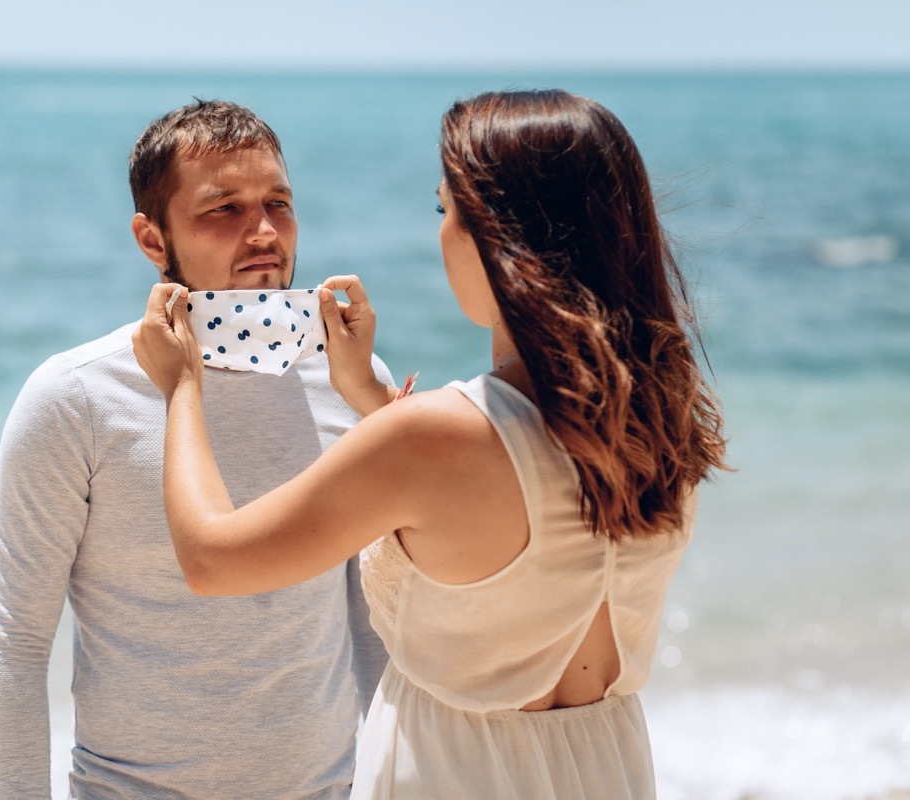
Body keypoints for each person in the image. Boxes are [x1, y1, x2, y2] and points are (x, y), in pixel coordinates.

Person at [133, 90, 728, 799]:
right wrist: (370, 402)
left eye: (447, 211)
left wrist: (182, 386)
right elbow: (509, 516)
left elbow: (212, 558)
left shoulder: (430, 438)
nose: (441, 235)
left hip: (454, 772)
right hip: (606, 765)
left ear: (501, 238)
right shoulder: (656, 417)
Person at [0, 99, 392, 800]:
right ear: (151, 237)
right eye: (223, 209)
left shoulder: (354, 382)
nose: (263, 232)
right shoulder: (74, 398)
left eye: (278, 204)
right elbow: (16, 649)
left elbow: (376, 623)